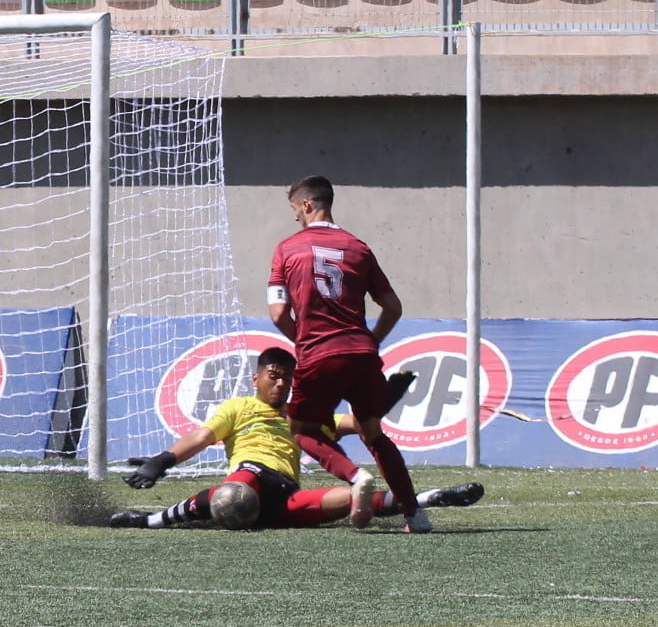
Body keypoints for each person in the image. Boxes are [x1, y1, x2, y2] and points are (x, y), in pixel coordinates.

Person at [110, 347, 483, 530]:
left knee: (353, 497)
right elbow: (202, 436)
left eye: (287, 378)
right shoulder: (239, 407)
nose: (281, 383)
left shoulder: (303, 417)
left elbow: (360, 423)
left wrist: (385, 400)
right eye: (273, 376)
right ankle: (148, 521)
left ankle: (432, 497)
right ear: (256, 378)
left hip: (284, 495)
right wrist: (162, 461)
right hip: (250, 477)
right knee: (232, 493)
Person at [266, 175, 428, 532]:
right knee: (372, 431)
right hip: (361, 352)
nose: (295, 216)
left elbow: (278, 314)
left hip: (318, 353)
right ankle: (415, 515)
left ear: (307, 205)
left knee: (302, 429)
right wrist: (371, 341)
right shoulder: (358, 248)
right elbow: (393, 307)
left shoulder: (287, 249)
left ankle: (356, 478)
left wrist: (304, 341)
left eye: (294, 209)